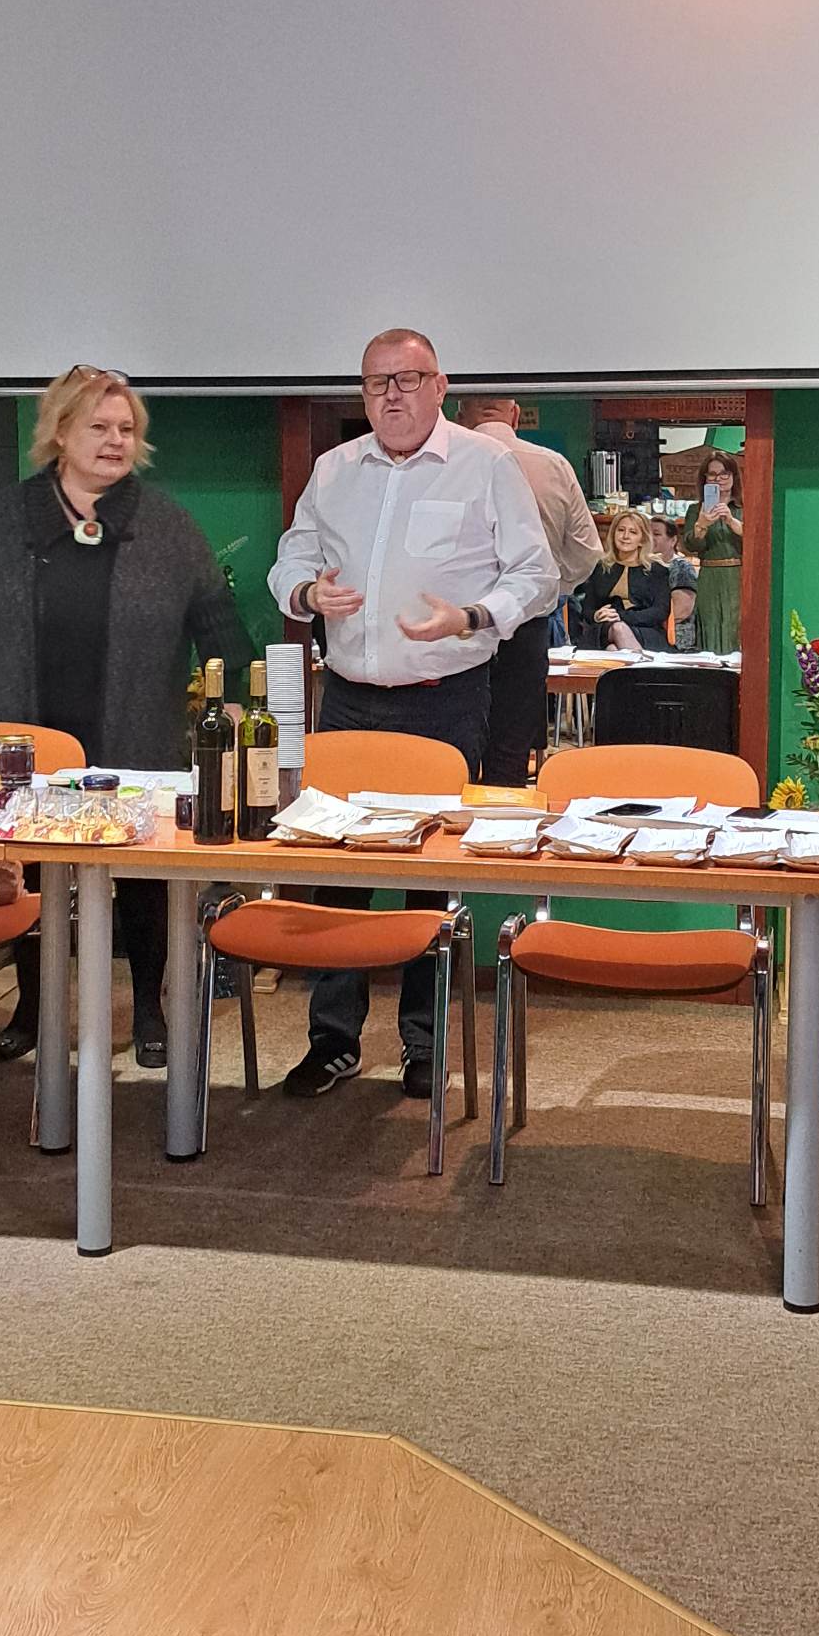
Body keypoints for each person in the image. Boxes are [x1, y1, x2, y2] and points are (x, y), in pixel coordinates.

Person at [268, 330, 556, 1100]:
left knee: (429, 876)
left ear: (440, 386)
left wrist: (471, 616)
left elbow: (536, 575)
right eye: (377, 383)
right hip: (348, 700)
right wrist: (307, 594)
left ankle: (424, 1043)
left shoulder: (486, 464)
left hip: (445, 699)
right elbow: (290, 559)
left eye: (408, 379)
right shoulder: (334, 470)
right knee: (339, 872)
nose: (392, 395)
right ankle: (333, 1041)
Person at [0, 364, 251, 1066]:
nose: (116, 441)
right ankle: (33, 1007)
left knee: (143, 877)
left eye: (127, 429)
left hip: (136, 730)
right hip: (33, 733)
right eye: (99, 427)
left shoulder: (165, 523)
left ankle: (148, 1008)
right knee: (34, 873)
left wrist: (232, 697)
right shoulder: (8, 517)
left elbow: (219, 622)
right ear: (60, 433)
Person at [454, 396, 601, 784]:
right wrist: (547, 586)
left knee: (450, 754)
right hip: (526, 627)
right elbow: (587, 552)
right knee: (509, 753)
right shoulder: (553, 465)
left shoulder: (445, 466)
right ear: (516, 415)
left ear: (459, 416)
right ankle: (502, 821)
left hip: (455, 628)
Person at [572, 509, 671, 652]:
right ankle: (642, 665)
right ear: (613, 534)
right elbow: (587, 609)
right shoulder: (602, 567)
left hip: (644, 629)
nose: (625, 536)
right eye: (621, 530)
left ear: (642, 539)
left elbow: (660, 611)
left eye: (633, 532)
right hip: (604, 630)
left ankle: (632, 662)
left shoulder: (656, 570)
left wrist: (622, 616)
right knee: (616, 629)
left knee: (613, 648)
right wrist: (596, 615)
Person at [681, 449, 744, 654]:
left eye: (724, 473)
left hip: (737, 575)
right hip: (709, 575)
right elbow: (690, 546)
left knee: (735, 625)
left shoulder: (744, 508)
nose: (719, 479)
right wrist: (701, 525)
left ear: (733, 476)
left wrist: (732, 521)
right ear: (705, 478)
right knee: (710, 622)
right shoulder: (696, 510)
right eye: (713, 474)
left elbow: (757, 542)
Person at [648, 514, 700, 652]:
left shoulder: (681, 567)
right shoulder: (644, 566)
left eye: (656, 534)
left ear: (673, 540)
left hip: (676, 642)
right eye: (647, 533)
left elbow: (682, 610)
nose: (650, 538)